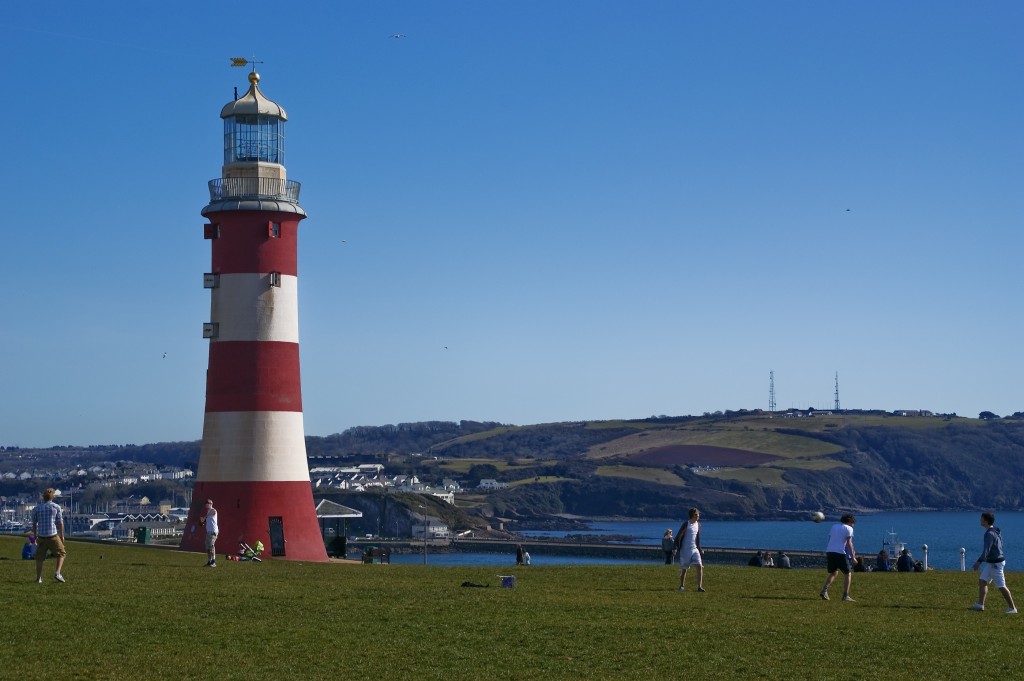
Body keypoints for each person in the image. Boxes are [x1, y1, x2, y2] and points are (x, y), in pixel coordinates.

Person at [971, 512, 1017, 614]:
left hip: (996, 564)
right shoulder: (996, 530)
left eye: (981, 518)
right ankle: (980, 605)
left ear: (985, 521)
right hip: (993, 562)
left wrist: (978, 562)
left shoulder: (989, 534)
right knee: (982, 580)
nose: (980, 520)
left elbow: (986, 551)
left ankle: (1012, 608)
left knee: (1001, 586)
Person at [31, 488, 66, 583]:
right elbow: (60, 523)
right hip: (53, 535)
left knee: (39, 558)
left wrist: (35, 536)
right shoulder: (56, 507)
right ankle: (57, 572)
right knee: (61, 553)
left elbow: (34, 523)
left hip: (41, 536)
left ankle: (38, 578)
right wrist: (62, 536)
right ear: (53, 496)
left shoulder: (37, 508)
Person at [819, 513, 856, 602]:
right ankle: (845, 595)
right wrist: (853, 557)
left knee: (834, 572)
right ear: (849, 520)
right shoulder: (849, 528)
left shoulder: (834, 526)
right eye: (853, 522)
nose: (853, 524)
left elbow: (831, 538)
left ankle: (824, 590)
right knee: (848, 573)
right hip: (839, 552)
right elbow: (849, 543)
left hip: (830, 551)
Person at [674, 508, 704, 592]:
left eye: (698, 514)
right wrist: (675, 548)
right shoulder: (686, 524)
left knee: (699, 566)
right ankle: (681, 585)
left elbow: (697, 538)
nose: (698, 515)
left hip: (694, 549)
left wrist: (699, 548)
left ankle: (699, 587)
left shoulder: (698, 525)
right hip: (685, 550)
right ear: (692, 515)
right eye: (696, 514)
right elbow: (678, 536)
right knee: (684, 569)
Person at [199, 499, 218, 567]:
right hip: (208, 532)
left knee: (211, 546)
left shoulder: (213, 510)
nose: (206, 505)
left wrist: (204, 518)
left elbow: (214, 512)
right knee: (207, 547)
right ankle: (210, 561)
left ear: (210, 504)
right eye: (205, 504)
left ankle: (213, 561)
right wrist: (202, 522)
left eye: (207, 504)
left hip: (213, 531)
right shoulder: (208, 512)